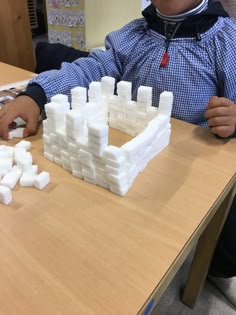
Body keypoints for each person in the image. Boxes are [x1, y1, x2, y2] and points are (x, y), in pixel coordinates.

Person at [0, 0, 236, 308]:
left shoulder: (226, 42)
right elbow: (92, 67)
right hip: (130, 165)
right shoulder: (133, 35)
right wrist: (37, 94)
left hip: (194, 168)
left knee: (224, 243)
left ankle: (212, 270)